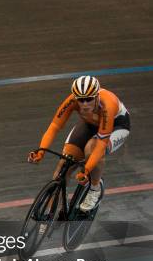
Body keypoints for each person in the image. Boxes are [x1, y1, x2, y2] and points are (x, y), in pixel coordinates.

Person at [28, 75, 131, 211]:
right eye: (81, 100)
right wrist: (41, 151)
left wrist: (87, 170)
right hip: (90, 124)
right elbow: (54, 127)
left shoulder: (107, 104)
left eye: (89, 99)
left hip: (116, 126)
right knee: (63, 166)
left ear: (97, 96)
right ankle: (52, 214)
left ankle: (95, 188)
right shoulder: (72, 101)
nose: (84, 104)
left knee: (91, 149)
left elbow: (100, 146)